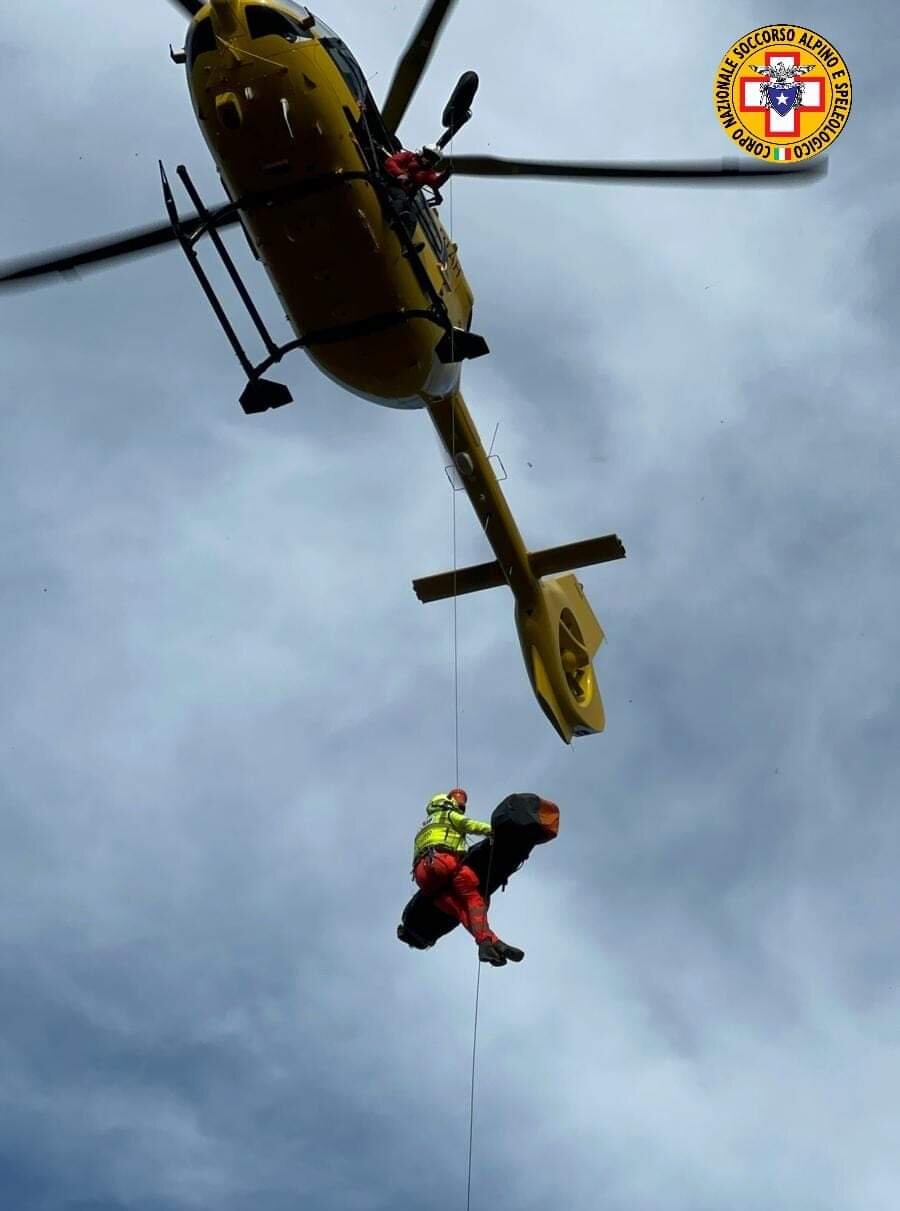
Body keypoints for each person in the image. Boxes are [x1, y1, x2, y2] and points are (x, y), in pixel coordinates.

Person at [411, 789, 524, 966]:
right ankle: (488, 942)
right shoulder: (448, 815)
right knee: (473, 898)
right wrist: (494, 832)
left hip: (423, 875)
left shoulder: (425, 825)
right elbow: (470, 825)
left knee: (460, 911)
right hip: (444, 861)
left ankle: (489, 942)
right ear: (449, 803)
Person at [384, 144, 449, 203]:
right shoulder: (409, 156)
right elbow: (391, 162)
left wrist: (446, 173)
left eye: (432, 159)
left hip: (404, 193)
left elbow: (435, 182)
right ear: (423, 153)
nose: (428, 160)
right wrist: (400, 173)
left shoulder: (428, 173)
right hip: (390, 181)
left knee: (402, 203)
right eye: (428, 156)